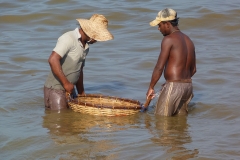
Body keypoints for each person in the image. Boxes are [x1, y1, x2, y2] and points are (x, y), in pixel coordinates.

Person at [44, 14, 113, 110]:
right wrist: (66, 84)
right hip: (56, 89)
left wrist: (81, 92)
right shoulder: (69, 38)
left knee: (71, 121)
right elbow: (53, 59)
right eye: (97, 38)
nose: (97, 41)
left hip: (70, 89)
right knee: (60, 120)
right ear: (92, 35)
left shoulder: (85, 47)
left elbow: (79, 70)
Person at [146, 8, 196, 116]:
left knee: (161, 122)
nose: (158, 29)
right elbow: (194, 69)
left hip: (174, 86)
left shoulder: (168, 39)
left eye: (159, 25)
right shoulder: (189, 40)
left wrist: (151, 87)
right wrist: (178, 80)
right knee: (180, 126)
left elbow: (159, 67)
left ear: (167, 24)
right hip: (188, 87)